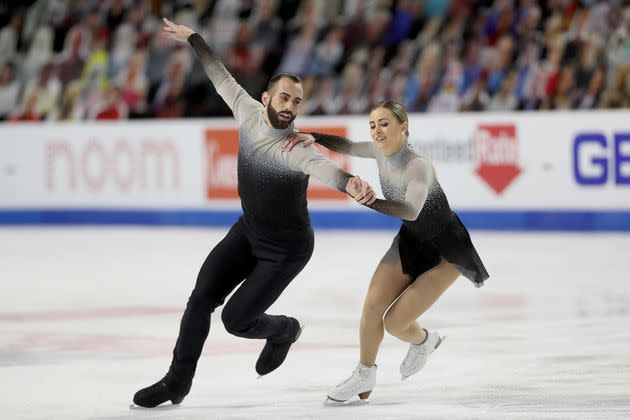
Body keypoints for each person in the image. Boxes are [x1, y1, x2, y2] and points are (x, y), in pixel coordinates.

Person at [132, 18, 375, 408]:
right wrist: (194, 39)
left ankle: (285, 330)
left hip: (287, 248)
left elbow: (325, 168)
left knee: (236, 320)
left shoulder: (296, 147)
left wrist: (351, 184)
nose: (291, 107)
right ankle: (176, 382)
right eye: (284, 98)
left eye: (297, 101)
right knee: (200, 298)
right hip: (249, 232)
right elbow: (219, 75)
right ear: (266, 98)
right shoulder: (246, 112)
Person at [283, 100, 489, 403]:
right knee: (372, 304)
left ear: (403, 127)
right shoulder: (379, 150)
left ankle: (424, 341)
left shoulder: (417, 164)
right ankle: (364, 373)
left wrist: (371, 201)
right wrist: (315, 136)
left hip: (445, 248)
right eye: (372, 124)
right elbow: (350, 146)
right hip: (411, 240)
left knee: (395, 323)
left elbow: (412, 209)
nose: (377, 131)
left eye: (384, 124)